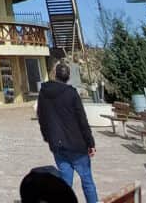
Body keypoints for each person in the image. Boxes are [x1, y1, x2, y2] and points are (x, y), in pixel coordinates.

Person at [36, 63, 98, 203]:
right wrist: (90, 143)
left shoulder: (44, 93)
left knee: (65, 184)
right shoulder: (71, 93)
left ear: (55, 74)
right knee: (87, 181)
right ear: (68, 77)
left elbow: (42, 118)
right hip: (77, 145)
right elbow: (82, 119)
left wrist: (48, 138)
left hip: (58, 145)